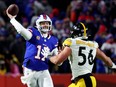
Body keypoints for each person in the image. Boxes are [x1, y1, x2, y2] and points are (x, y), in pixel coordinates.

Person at [48, 22, 116, 87]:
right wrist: (114, 66)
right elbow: (107, 60)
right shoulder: (93, 45)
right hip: (87, 80)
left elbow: (57, 61)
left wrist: (48, 57)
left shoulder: (71, 43)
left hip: (83, 80)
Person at [6, 7, 59, 87]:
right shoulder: (34, 33)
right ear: (38, 25)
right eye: (43, 23)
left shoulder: (53, 40)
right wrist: (12, 19)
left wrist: (61, 57)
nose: (45, 25)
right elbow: (21, 30)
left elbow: (57, 60)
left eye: (47, 23)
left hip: (43, 69)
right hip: (30, 69)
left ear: (50, 24)